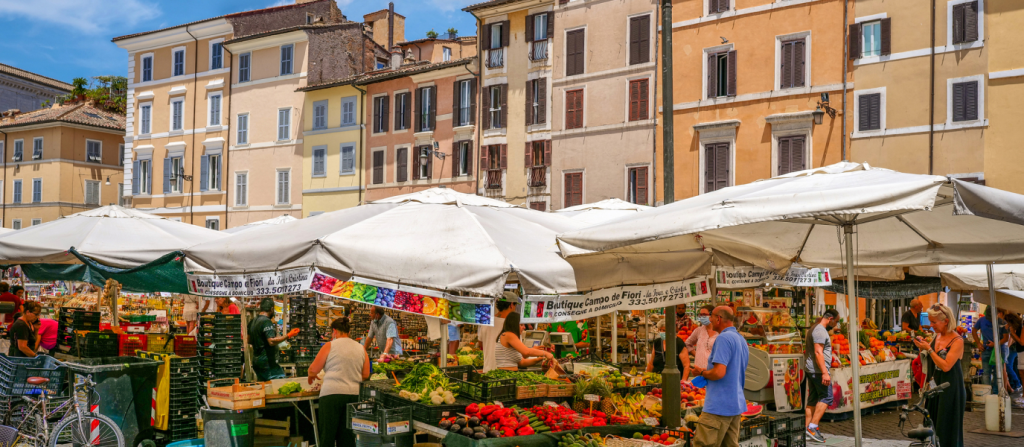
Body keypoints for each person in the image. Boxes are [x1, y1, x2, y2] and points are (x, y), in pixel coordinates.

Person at [690, 307, 748, 447]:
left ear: (718, 318)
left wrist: (702, 373)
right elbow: (732, 370)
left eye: (711, 316)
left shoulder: (723, 338)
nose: (709, 319)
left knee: (703, 444)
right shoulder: (740, 339)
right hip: (735, 405)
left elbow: (719, 373)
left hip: (718, 406)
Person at [308, 317, 370, 447]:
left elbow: (313, 369)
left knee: (328, 437)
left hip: (331, 395)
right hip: (354, 396)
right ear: (348, 331)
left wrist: (311, 375)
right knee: (347, 438)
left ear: (334, 331)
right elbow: (365, 374)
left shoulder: (330, 345)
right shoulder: (361, 348)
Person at [913, 304, 966, 447]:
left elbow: (946, 365)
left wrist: (929, 349)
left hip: (950, 387)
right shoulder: (937, 337)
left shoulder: (958, 341)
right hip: (934, 387)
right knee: (932, 423)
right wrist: (923, 345)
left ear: (946, 321)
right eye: (930, 322)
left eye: (934, 322)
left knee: (947, 426)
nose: (931, 325)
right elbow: (932, 358)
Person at [803, 308, 840, 444]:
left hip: (812, 369)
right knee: (826, 396)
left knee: (812, 399)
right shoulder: (820, 331)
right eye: (836, 321)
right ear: (830, 319)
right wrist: (825, 372)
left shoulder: (815, 328)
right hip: (818, 371)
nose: (836, 324)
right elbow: (818, 353)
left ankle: (807, 429)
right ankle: (812, 427)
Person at [249, 298, 297, 381]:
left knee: (265, 387)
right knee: (280, 384)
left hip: (256, 361)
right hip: (267, 363)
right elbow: (271, 341)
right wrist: (289, 335)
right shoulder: (266, 321)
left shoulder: (253, 321)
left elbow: (248, 340)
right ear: (272, 309)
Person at [973, 306, 1008, 395]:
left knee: (998, 373)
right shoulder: (981, 320)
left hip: (999, 350)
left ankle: (997, 393)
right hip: (986, 349)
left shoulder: (1002, 322)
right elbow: (974, 330)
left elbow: (1005, 338)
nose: (992, 320)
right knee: (986, 372)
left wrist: (995, 344)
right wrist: (978, 343)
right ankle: (986, 393)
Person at [681, 305, 719, 380]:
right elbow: (687, 344)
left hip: (713, 372)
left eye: (704, 315)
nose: (702, 317)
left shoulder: (720, 332)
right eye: (700, 315)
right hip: (699, 371)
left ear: (712, 315)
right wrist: (696, 354)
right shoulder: (699, 330)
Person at [478, 296, 515, 372]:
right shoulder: (512, 324)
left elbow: (480, 344)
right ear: (511, 305)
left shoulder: (486, 320)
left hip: (487, 370)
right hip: (504, 372)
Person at [1003, 312, 1023, 393]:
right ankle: (1017, 386)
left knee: (1009, 366)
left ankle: (1018, 384)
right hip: (1018, 350)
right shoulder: (1019, 326)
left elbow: (1021, 341)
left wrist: (1012, 333)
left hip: (1019, 350)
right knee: (1019, 371)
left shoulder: (1020, 327)